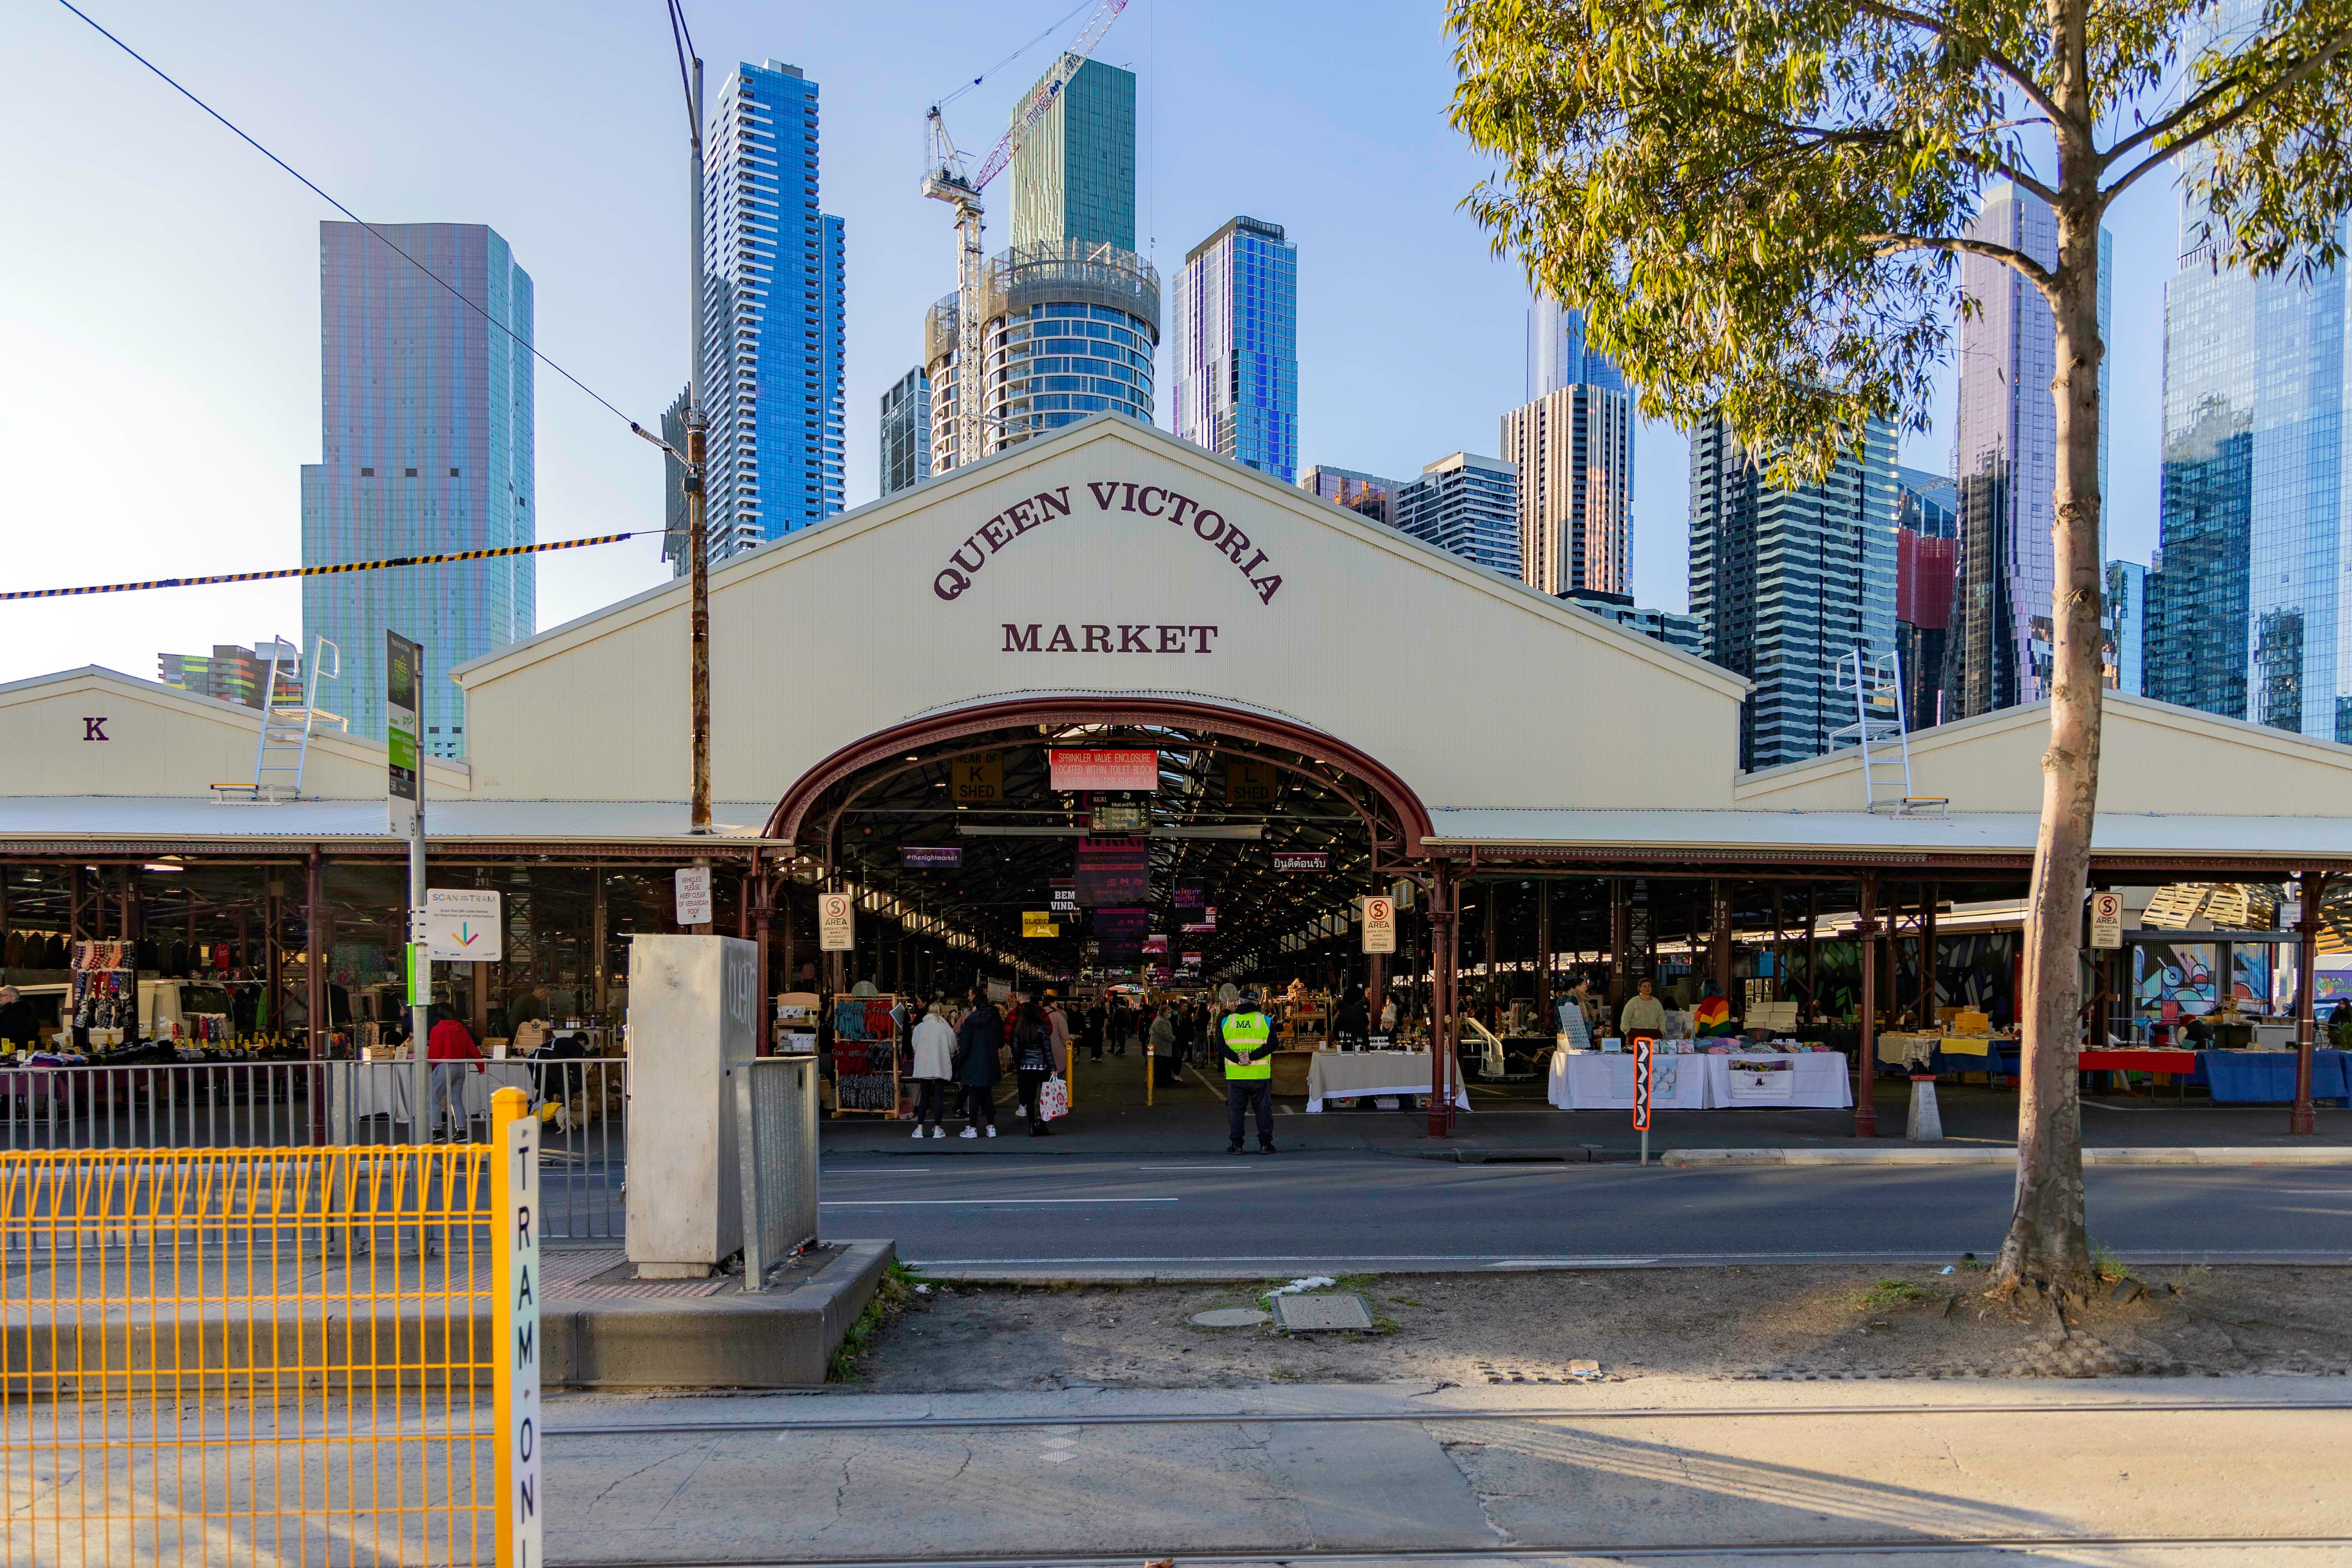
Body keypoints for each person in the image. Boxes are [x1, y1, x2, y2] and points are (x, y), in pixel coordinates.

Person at [1219, 986, 1277, 1155]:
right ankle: (1265, 1145)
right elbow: (1273, 1045)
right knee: (1263, 1110)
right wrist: (1251, 1056)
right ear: (1256, 1003)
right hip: (1260, 1075)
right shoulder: (1266, 1021)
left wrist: (1238, 1059)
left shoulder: (1226, 1022)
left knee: (1236, 1111)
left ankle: (1237, 1145)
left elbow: (1220, 1047)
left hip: (1236, 1076)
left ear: (1239, 1002)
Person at [425, 1002, 486, 1141]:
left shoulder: (438, 1029)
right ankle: (462, 1131)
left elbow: (435, 1052)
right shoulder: (461, 1029)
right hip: (461, 1067)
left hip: (445, 1067)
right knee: (456, 1099)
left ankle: (437, 1131)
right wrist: (480, 1066)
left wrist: (432, 1067)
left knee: (434, 1098)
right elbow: (472, 1049)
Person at [952, 990, 1004, 1138]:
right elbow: (1001, 1042)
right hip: (990, 1062)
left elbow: (965, 1046)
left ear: (974, 1006)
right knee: (987, 1095)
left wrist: (959, 1064)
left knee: (974, 1097)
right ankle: (991, 1128)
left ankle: (973, 1129)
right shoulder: (995, 1019)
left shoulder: (970, 1021)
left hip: (972, 1063)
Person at [1008, 997, 1058, 1136]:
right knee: (1046, 1096)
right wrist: (1053, 1067)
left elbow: (1016, 1049)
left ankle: (1031, 1126)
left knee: (1030, 1097)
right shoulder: (1042, 1027)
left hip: (1026, 1067)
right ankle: (1042, 1122)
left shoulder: (1020, 1029)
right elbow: (1048, 1049)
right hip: (1042, 1066)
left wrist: (1020, 1063)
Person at [908, 1001, 957, 1139]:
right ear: (941, 1013)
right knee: (939, 1097)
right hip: (940, 1065)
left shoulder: (920, 1028)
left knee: (924, 1097)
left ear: (928, 1012)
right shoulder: (946, 1029)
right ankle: (937, 1129)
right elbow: (953, 1048)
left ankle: (919, 1129)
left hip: (924, 1066)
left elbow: (915, 1046)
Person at [1619, 978, 1667, 1042]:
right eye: (1645, 986)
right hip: (1636, 1035)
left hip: (1654, 1035)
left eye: (1649, 986)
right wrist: (1628, 1033)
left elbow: (1662, 1020)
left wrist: (1662, 1032)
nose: (1648, 988)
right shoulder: (1633, 1002)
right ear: (1640, 988)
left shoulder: (1656, 1002)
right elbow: (1625, 1019)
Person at [1558, 974, 1595, 1052]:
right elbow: (1570, 1021)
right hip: (1579, 1039)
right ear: (1578, 987)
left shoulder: (1583, 1000)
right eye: (1584, 986)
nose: (1587, 988)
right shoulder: (1571, 1001)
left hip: (1586, 1036)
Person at [1148, 1003, 1178, 1086]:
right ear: (1164, 1012)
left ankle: (1165, 1080)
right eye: (1168, 1012)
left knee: (1165, 1065)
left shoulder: (1164, 1020)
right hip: (1160, 1047)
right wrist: (1174, 1038)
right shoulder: (1160, 1021)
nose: (1170, 1014)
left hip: (1163, 1047)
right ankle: (1161, 1082)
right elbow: (1164, 1035)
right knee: (1161, 1066)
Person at [1333, 984, 1369, 1050]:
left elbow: (1336, 1029)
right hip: (1362, 1039)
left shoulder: (1339, 1015)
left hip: (1348, 1041)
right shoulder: (1357, 1008)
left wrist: (1338, 1039)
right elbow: (1367, 1021)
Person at [0, 986, 36, 1050]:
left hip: (14, 1049)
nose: (0, 997)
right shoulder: (8, 1010)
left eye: (3, 995)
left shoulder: (18, 1011)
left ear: (13, 998)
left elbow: (9, 1030)